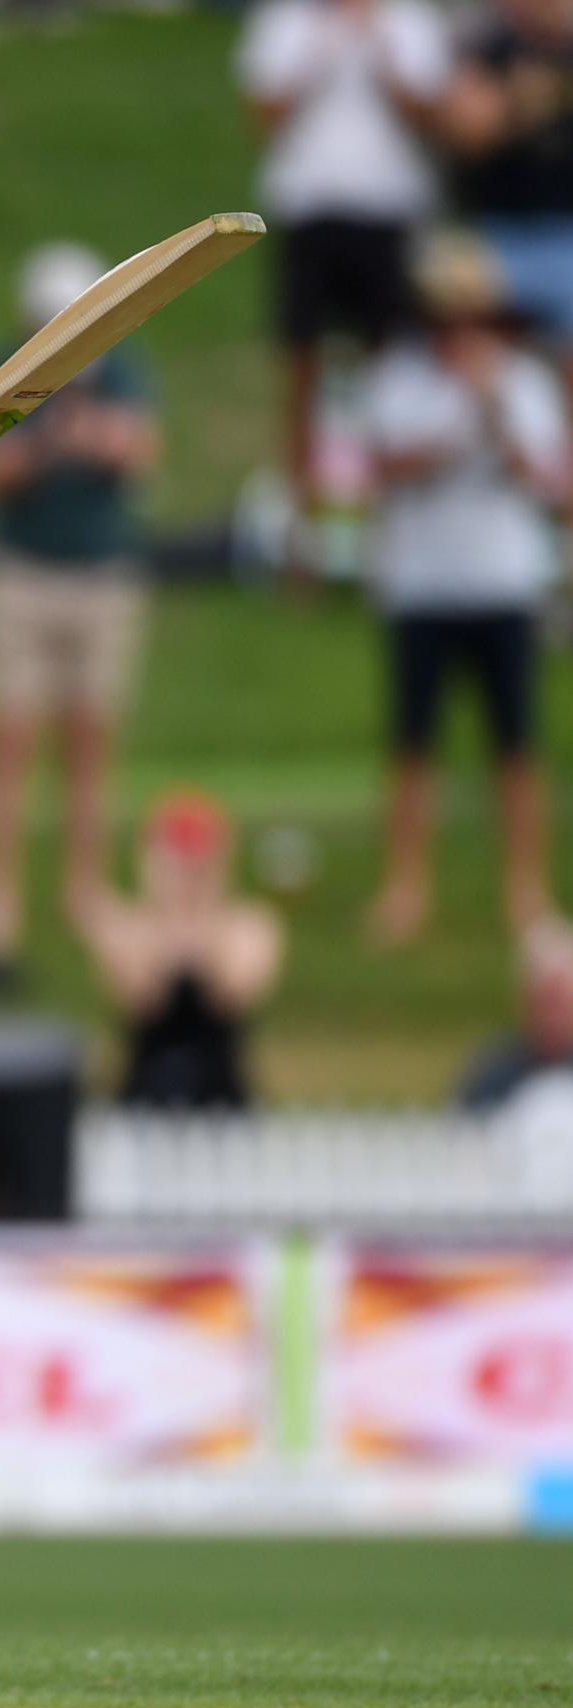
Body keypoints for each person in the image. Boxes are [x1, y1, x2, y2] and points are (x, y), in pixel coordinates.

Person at [0, 245, 162, 992]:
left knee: (89, 736)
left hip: (102, 578)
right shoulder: (6, 374)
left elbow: (138, 452)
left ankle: (85, 887)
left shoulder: (121, 371)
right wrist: (60, 445)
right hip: (21, 577)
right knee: (10, 736)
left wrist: (84, 440)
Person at [359, 229, 568, 946]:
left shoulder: (523, 378)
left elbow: (548, 484)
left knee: (516, 743)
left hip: (502, 580)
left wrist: (495, 413)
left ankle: (527, 890)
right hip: (420, 583)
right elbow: (384, 467)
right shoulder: (400, 376)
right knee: (413, 743)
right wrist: (455, 428)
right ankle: (406, 886)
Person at [236, 0, 451, 537]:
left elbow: (434, 120)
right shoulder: (283, 21)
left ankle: (388, 522)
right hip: (310, 210)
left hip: (387, 211)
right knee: (301, 368)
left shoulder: (411, 21)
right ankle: (302, 523)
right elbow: (265, 118)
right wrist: (317, 57)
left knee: (394, 371)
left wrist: (382, 55)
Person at [81, 790, 284, 1112]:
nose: (190, 874)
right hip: (141, 1093)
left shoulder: (250, 924)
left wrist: (204, 912)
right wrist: (167, 912)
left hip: (224, 1097)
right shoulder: (123, 925)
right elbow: (141, 998)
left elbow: (231, 996)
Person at [444, 0, 573, 392]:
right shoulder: (490, 44)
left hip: (565, 232)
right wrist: (519, 103)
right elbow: (466, 133)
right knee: (470, 337)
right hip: (495, 231)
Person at [458, 918, 573, 1109]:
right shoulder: (494, 1074)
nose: (553, 1014)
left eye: (561, 1000)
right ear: (524, 1002)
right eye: (546, 1000)